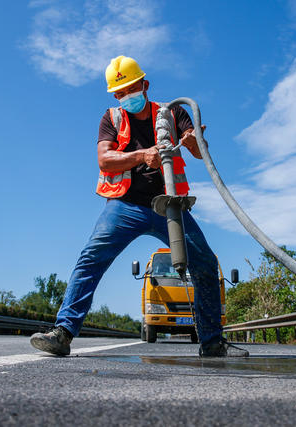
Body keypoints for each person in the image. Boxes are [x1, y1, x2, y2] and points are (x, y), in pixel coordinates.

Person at [30, 55, 248, 358]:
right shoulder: (112, 118)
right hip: (126, 205)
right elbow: (104, 159)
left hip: (169, 206)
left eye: (130, 89)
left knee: (206, 265)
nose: (125, 97)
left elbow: (200, 152)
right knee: (91, 258)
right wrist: (143, 156)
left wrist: (192, 139)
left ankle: (212, 342)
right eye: (119, 93)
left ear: (144, 85)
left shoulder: (172, 113)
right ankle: (63, 332)